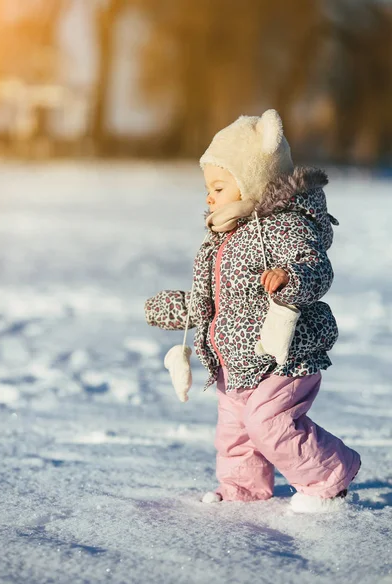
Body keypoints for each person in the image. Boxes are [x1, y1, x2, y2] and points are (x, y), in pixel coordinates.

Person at [144, 110, 361, 513]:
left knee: (269, 424)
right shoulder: (219, 239)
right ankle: (243, 494)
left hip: (281, 357)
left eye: (220, 186)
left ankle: (330, 477)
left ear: (253, 182)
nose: (210, 196)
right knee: (235, 434)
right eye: (208, 188)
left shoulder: (284, 227)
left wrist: (289, 276)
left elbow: (316, 267)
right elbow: (212, 300)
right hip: (233, 362)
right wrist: (178, 309)